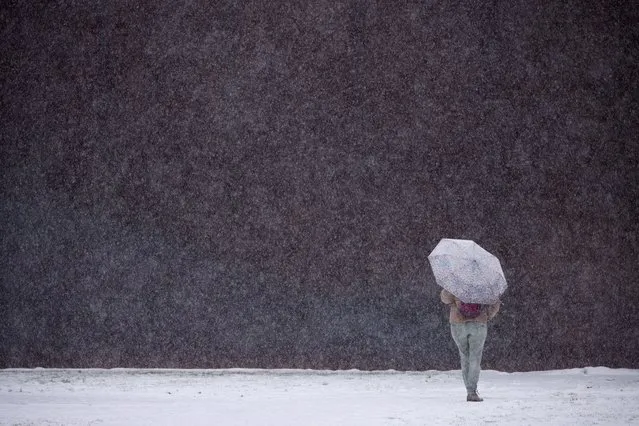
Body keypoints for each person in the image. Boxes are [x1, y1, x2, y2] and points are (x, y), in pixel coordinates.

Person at [440, 288, 501, 402]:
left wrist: (450, 290)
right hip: (478, 324)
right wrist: (486, 315)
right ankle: (472, 392)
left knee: (464, 356)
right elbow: (496, 302)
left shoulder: (455, 282)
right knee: (475, 358)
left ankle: (469, 389)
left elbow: (444, 299)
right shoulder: (485, 284)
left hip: (458, 324)